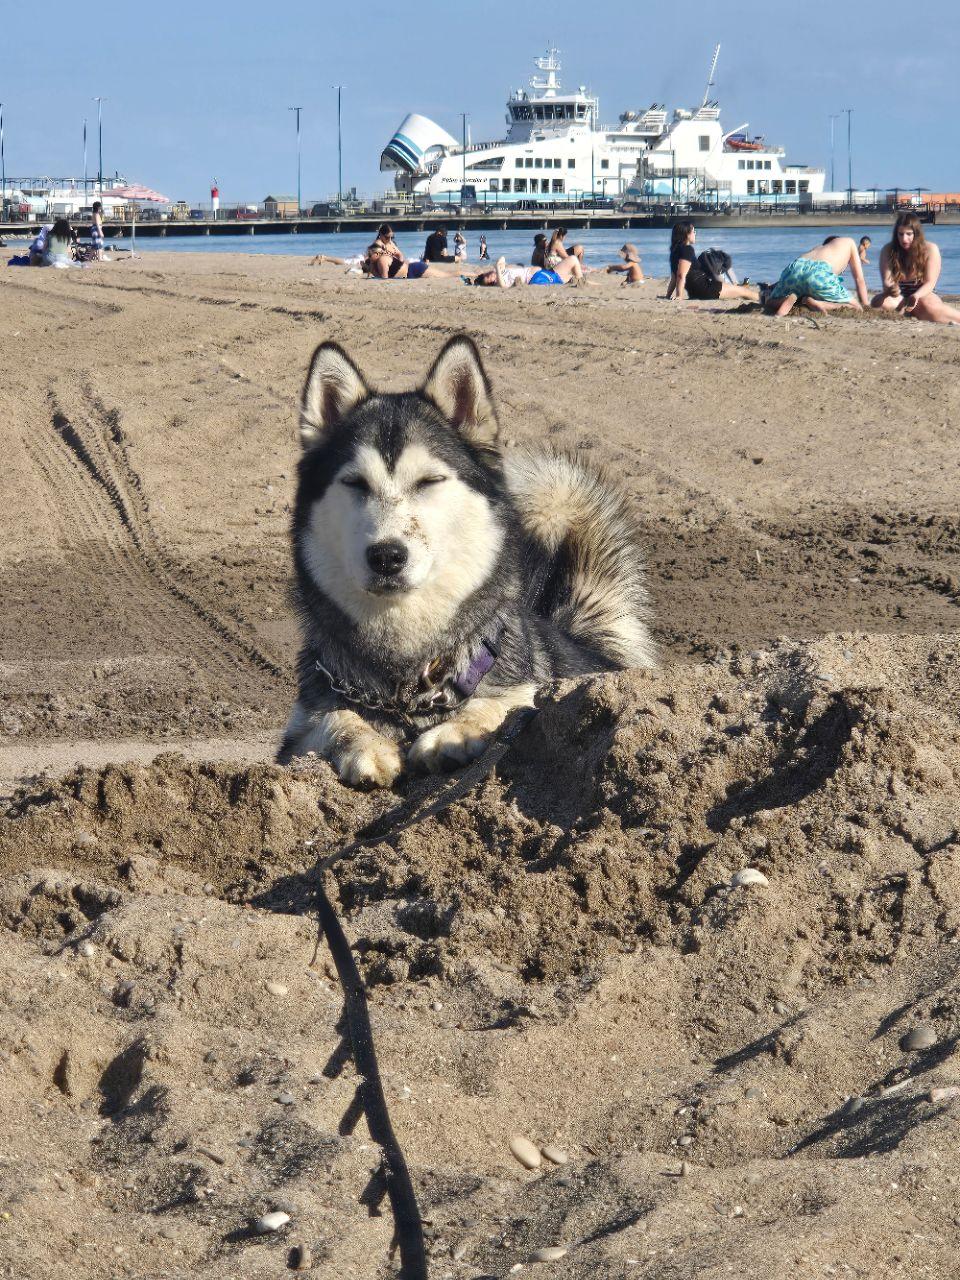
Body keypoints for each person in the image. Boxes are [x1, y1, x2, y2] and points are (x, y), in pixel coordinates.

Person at [870, 213, 960, 325]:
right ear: (896, 234)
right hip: (898, 297)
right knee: (878, 303)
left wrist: (916, 296)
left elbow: (930, 282)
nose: (904, 239)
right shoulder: (888, 250)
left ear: (916, 234)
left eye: (909, 234)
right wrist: (891, 289)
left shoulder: (930, 249)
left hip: (924, 294)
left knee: (928, 307)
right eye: (900, 234)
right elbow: (887, 282)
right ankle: (910, 313)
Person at [764, 234, 871, 316]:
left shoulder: (817, 248)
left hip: (794, 268)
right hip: (819, 273)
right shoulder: (849, 242)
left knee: (771, 301)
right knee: (856, 307)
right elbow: (859, 279)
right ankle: (819, 304)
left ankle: (779, 301)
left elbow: (803, 271)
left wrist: (773, 287)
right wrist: (865, 304)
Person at [666, 223, 757, 302]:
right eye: (693, 231)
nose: (695, 234)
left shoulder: (674, 252)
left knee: (738, 290)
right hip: (706, 289)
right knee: (745, 292)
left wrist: (668, 295)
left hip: (695, 292)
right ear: (687, 234)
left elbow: (674, 277)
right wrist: (679, 296)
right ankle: (765, 300)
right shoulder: (687, 250)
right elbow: (681, 275)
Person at [467, 254, 584, 287]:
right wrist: (497, 268)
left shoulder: (502, 272)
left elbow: (503, 259)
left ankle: (581, 281)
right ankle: (581, 283)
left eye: (488, 273)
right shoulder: (501, 282)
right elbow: (502, 286)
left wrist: (499, 266)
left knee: (573, 259)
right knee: (568, 279)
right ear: (491, 282)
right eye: (489, 277)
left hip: (543, 272)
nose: (490, 274)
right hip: (537, 278)